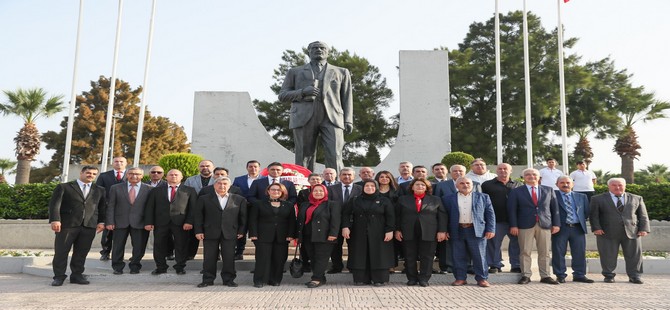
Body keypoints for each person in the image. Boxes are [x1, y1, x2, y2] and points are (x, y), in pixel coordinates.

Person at [278, 40, 353, 172]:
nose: (319, 50)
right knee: (303, 156)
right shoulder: (295, 72)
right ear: (309, 52)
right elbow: (283, 95)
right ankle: (304, 188)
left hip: (332, 117)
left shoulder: (341, 72)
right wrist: (302, 92)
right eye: (315, 48)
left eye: (322, 48)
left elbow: (347, 97)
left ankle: (335, 187)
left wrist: (348, 119)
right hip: (303, 117)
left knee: (335, 154)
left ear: (328, 52)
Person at [48, 166, 106, 286]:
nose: (91, 175)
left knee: (81, 253)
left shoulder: (100, 190)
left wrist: (101, 222)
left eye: (94, 174)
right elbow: (55, 205)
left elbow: (102, 208)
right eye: (88, 173)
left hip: (89, 225)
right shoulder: (64, 187)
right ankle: (59, 277)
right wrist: (55, 220)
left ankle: (77, 275)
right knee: (61, 252)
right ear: (81, 173)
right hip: (67, 225)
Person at [590, 178, 650, 284]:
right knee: (608, 255)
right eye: (614, 185)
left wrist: (644, 229)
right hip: (606, 232)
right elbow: (594, 216)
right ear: (609, 186)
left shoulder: (636, 198)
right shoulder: (598, 199)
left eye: (620, 185)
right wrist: (596, 228)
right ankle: (609, 275)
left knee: (634, 255)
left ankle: (635, 276)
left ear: (625, 186)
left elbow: (643, 215)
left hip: (632, 232)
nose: (617, 187)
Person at [508, 168, 560, 285]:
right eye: (528, 175)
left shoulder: (548, 190)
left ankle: (545, 275)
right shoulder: (516, 191)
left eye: (534, 174)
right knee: (525, 251)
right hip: (524, 225)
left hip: (544, 224)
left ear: (539, 177)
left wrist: (556, 224)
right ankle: (526, 275)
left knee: (545, 252)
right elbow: (512, 210)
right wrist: (514, 225)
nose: (531, 176)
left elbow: (554, 209)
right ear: (523, 177)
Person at [194, 177, 248, 288]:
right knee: (209, 257)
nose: (222, 186)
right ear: (214, 185)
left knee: (229, 257)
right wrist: (198, 231)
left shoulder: (239, 199)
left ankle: (229, 280)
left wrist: (242, 230)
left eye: (225, 184)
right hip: (210, 231)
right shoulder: (204, 198)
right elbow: (198, 216)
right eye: (219, 183)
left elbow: (243, 217)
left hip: (230, 232)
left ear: (229, 186)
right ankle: (207, 279)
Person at [442, 177, 496, 287]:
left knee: (479, 256)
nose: (465, 185)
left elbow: (490, 214)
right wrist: (445, 230)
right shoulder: (448, 198)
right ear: (456, 186)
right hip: (457, 230)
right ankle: (460, 278)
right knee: (458, 256)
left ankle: (482, 278)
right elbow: (444, 216)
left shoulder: (483, 197)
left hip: (476, 230)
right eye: (461, 183)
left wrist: (490, 229)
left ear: (472, 185)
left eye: (468, 183)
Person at [395, 178, 447, 287]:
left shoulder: (435, 199)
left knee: (427, 256)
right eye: (417, 184)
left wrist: (442, 231)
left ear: (427, 187)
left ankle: (424, 278)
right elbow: (397, 216)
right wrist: (397, 230)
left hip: (429, 232)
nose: (420, 187)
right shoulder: (403, 199)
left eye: (423, 185)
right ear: (412, 187)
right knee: (410, 256)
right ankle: (412, 278)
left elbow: (442, 216)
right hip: (408, 231)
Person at [342, 180, 395, 286]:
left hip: (379, 232)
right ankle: (361, 278)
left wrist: (389, 230)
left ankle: (379, 279)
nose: (369, 187)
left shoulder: (384, 200)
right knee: (360, 255)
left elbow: (391, 216)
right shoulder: (355, 200)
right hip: (358, 231)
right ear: (363, 187)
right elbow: (346, 214)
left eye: (372, 186)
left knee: (379, 255)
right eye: (367, 186)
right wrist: (345, 227)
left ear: (376, 187)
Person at [144, 169, 197, 275]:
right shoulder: (156, 190)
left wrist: (189, 222)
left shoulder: (189, 190)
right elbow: (150, 207)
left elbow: (193, 208)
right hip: (161, 222)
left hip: (181, 223)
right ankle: (161, 267)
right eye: (171, 175)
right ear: (166, 177)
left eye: (176, 175)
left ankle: (180, 267)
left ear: (181, 177)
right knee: (159, 245)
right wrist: (149, 222)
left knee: (181, 245)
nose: (173, 176)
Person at [433, 164, 481, 274]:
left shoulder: (476, 184)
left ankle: (469, 266)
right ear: (450, 173)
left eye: (460, 171)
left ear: (465, 172)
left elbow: (479, 203)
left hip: (470, 222)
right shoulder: (442, 185)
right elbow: (437, 204)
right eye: (455, 171)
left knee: (469, 245)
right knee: (448, 246)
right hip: (449, 220)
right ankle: (448, 266)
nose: (458, 173)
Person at [105, 167, 152, 275]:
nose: (134, 176)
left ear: (142, 176)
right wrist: (110, 221)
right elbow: (111, 206)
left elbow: (151, 208)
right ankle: (117, 267)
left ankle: (135, 266)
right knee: (117, 246)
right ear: (127, 175)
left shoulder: (149, 189)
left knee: (139, 246)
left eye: (137, 174)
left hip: (140, 222)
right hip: (120, 222)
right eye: (131, 173)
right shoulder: (115, 188)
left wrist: (150, 222)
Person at [248, 183, 296, 287]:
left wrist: (290, 234)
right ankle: (259, 280)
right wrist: (253, 234)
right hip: (262, 235)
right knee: (262, 259)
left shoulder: (288, 205)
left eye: (278, 190)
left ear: (282, 192)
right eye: (273, 190)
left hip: (282, 236)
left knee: (279, 259)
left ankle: (275, 279)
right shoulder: (258, 204)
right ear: (268, 191)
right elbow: (253, 220)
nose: (276, 192)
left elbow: (292, 221)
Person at [551, 176, 594, 283]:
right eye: (562, 183)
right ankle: (560, 275)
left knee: (579, 252)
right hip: (560, 228)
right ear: (557, 184)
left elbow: (586, 211)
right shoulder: (552, 196)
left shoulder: (582, 196)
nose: (565, 185)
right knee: (559, 252)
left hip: (577, 228)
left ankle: (579, 274)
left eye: (568, 182)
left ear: (573, 184)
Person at [297, 184, 341, 288]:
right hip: (308, 235)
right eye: (315, 191)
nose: (318, 193)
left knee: (321, 258)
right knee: (312, 257)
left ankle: (316, 279)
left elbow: (336, 221)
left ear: (325, 193)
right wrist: (297, 235)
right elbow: (300, 220)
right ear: (311, 193)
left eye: (321, 191)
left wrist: (333, 234)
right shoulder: (305, 204)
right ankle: (321, 277)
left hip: (325, 236)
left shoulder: (332, 204)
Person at [481, 163, 522, 273]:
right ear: (496, 170)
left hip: (515, 221)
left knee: (516, 243)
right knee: (494, 243)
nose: (503, 171)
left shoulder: (519, 185)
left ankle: (516, 265)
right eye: (500, 169)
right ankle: (495, 264)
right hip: (496, 220)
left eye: (505, 169)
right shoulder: (487, 185)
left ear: (511, 171)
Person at [326, 167, 362, 274]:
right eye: (344, 174)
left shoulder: (360, 189)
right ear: (339, 176)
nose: (347, 176)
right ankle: (337, 266)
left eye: (349, 175)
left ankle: (352, 266)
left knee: (354, 246)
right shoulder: (331, 189)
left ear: (354, 176)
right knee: (335, 246)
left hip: (354, 223)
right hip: (335, 222)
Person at [95, 156, 127, 261]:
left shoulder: (132, 175)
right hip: (108, 208)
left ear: (126, 163)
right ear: (112, 163)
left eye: (121, 161)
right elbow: (98, 191)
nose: (119, 163)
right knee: (107, 232)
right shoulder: (104, 176)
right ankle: (105, 252)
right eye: (116, 161)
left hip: (126, 209)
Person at [232, 160, 261, 260]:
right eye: (250, 166)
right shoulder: (239, 180)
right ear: (247, 168)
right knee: (241, 230)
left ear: (259, 168)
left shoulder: (264, 179)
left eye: (255, 167)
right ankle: (239, 252)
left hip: (258, 209)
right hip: (241, 208)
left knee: (257, 231)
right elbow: (234, 193)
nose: (253, 169)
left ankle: (261, 253)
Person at [375, 170, 403, 270]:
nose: (384, 179)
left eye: (387, 177)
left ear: (391, 179)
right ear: (378, 178)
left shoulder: (398, 190)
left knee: (392, 245)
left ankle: (391, 265)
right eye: (382, 177)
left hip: (394, 220)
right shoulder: (373, 190)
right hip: (378, 221)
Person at [296, 173, 323, 272]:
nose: (315, 181)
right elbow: (300, 206)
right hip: (306, 223)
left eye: (317, 179)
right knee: (305, 246)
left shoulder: (325, 192)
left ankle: (317, 266)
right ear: (309, 181)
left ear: (321, 181)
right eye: (313, 179)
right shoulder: (303, 193)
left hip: (320, 224)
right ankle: (305, 264)